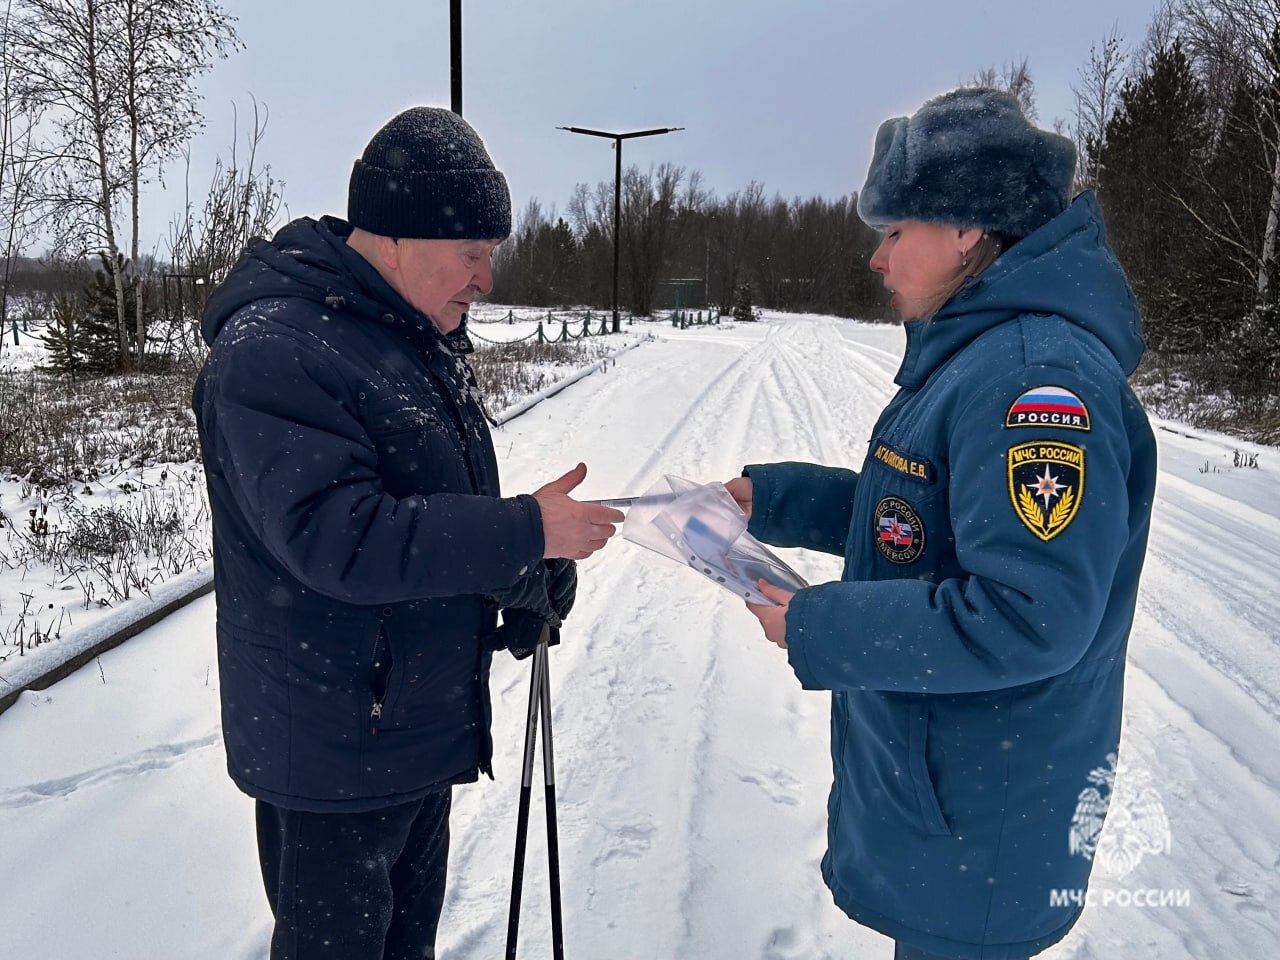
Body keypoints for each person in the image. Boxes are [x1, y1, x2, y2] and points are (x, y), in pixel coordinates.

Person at [726, 88, 1157, 959]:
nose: (878, 257)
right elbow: (920, 519)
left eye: (894, 230)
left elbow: (1028, 615)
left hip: (981, 826)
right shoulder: (984, 355)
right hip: (956, 811)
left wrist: (816, 624)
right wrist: (770, 500)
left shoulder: (1035, 380)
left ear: (966, 228)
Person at [192, 106, 625, 960]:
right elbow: (339, 539)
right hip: (334, 752)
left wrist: (523, 575)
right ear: (394, 239)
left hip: (411, 729)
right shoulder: (274, 350)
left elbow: (432, 505)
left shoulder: (408, 338)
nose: (486, 279)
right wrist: (524, 530)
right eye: (472, 253)